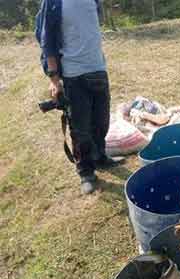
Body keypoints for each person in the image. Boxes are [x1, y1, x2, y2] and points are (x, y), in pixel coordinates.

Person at [35, 0, 122, 195]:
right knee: (80, 128)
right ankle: (85, 171)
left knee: (101, 121)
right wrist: (55, 80)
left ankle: (99, 156)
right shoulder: (55, 2)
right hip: (73, 73)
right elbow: (47, 41)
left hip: (98, 67)